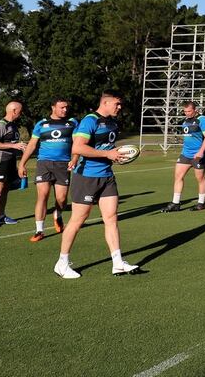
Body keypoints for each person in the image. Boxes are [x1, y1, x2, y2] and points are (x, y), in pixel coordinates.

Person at [54, 90, 140, 278]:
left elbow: (105, 148)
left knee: (111, 218)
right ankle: (62, 263)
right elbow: (78, 147)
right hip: (86, 177)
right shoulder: (90, 120)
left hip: (107, 175)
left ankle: (117, 263)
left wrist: (115, 154)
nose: (120, 107)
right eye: (117, 104)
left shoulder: (114, 123)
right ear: (105, 103)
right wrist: (107, 154)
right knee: (78, 220)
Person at [18, 98, 78, 241]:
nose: (65, 110)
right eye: (62, 107)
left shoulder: (72, 123)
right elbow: (32, 145)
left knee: (62, 199)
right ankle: (39, 230)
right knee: (42, 195)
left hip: (63, 164)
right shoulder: (41, 124)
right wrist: (22, 164)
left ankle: (58, 214)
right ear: (53, 107)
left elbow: (77, 143)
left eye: (66, 107)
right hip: (44, 163)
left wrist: (75, 158)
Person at [162, 101, 205, 212]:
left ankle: (201, 203)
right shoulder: (185, 121)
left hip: (199, 155)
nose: (187, 113)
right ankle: (176, 203)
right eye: (185, 111)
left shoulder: (202, 120)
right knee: (178, 176)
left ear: (195, 110)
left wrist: (201, 152)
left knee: (200, 178)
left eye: (189, 111)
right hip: (185, 154)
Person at [0, 101, 26, 229]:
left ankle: (1, 216)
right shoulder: (1, 124)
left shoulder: (13, 125)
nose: (21, 113)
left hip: (10, 160)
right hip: (0, 161)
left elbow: (11, 142)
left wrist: (20, 146)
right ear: (13, 110)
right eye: (20, 110)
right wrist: (14, 145)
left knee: (5, 189)